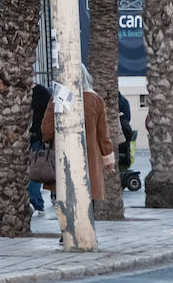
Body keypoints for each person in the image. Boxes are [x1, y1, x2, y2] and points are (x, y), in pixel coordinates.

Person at [42, 87, 116, 214]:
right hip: (89, 158)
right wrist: (107, 157)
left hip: (64, 154)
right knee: (87, 195)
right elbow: (103, 133)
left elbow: (47, 129)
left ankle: (67, 231)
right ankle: (86, 229)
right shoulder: (96, 100)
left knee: (65, 196)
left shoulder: (59, 97)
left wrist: (48, 139)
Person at [27, 83, 51, 217]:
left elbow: (48, 115)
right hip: (26, 138)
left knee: (35, 172)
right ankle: (36, 203)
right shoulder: (20, 92)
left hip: (36, 138)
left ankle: (36, 203)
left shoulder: (40, 92)